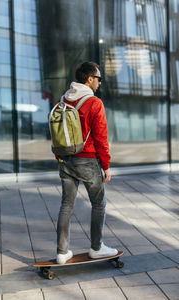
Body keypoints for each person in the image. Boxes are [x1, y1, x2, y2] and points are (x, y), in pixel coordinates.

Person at [56, 61, 118, 264]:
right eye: (98, 79)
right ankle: (97, 248)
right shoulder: (94, 103)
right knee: (99, 203)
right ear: (89, 79)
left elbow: (56, 131)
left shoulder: (63, 100)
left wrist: (58, 154)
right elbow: (101, 138)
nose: (100, 83)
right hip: (88, 160)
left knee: (67, 205)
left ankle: (62, 252)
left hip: (65, 159)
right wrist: (106, 165)